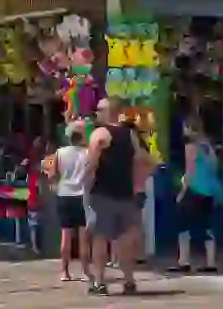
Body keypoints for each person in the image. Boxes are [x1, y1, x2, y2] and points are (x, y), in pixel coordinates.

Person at [83, 97, 148, 296]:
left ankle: (100, 282)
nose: (96, 112)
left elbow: (91, 164)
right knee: (125, 239)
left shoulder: (99, 134)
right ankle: (129, 281)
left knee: (101, 238)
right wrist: (138, 187)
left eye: (99, 109)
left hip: (102, 193)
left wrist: (83, 185)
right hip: (126, 194)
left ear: (109, 111)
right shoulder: (131, 135)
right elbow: (142, 161)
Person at [171, 119, 223, 273]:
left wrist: (181, 192)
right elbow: (214, 167)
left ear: (189, 128)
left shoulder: (190, 146)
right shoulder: (208, 146)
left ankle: (184, 261)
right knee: (207, 226)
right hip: (209, 191)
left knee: (182, 224)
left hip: (194, 189)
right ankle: (211, 261)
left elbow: (190, 170)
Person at [49, 121, 91, 282]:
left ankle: (64, 271)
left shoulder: (60, 152)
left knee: (65, 236)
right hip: (83, 196)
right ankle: (86, 271)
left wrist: (55, 185)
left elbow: (52, 175)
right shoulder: (88, 153)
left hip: (64, 195)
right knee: (84, 238)